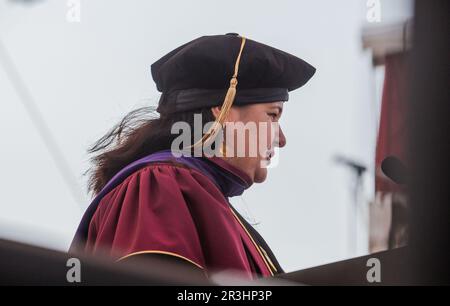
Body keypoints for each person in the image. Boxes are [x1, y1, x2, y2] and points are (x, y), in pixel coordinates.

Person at [70, 33, 315, 279]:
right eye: (273, 115)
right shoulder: (159, 184)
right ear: (223, 111)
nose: (280, 138)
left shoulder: (199, 193)